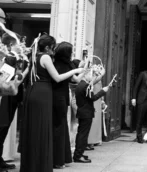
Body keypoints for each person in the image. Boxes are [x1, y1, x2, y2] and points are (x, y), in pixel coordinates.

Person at [20, 34, 84, 172]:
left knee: (34, 128)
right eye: (53, 47)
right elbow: (57, 77)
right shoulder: (45, 57)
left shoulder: (34, 57)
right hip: (43, 92)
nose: (54, 50)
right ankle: (41, 164)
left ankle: (31, 163)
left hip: (33, 90)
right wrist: (75, 70)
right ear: (47, 47)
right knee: (43, 128)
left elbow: (24, 75)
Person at [52, 42, 87, 169]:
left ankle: (57, 158)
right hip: (60, 96)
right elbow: (76, 80)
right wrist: (82, 71)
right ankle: (58, 159)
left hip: (54, 95)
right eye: (71, 51)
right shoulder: (67, 64)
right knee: (60, 127)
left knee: (57, 126)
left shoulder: (53, 61)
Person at [0, 33, 29, 171]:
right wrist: (27, 70)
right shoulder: (8, 58)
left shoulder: (15, 58)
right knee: (2, 128)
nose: (22, 46)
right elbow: (7, 80)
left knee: (4, 129)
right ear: (11, 45)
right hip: (6, 98)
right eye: (20, 43)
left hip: (12, 98)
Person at [73, 67, 108, 163]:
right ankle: (78, 156)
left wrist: (100, 75)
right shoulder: (85, 86)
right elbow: (93, 98)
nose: (92, 77)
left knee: (81, 134)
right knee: (83, 135)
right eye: (91, 75)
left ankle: (79, 153)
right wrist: (103, 91)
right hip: (86, 113)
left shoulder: (81, 84)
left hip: (82, 112)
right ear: (86, 75)